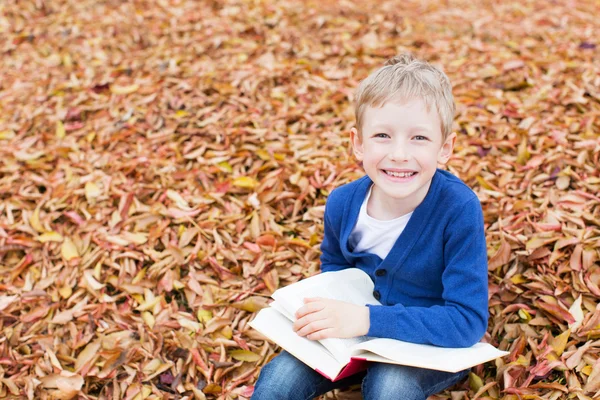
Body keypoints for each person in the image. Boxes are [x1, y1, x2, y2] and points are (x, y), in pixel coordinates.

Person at [251, 53, 489, 400]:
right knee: (279, 378)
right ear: (358, 144)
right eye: (382, 135)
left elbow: (466, 320)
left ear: (445, 148)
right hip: (354, 333)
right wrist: (331, 315)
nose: (399, 154)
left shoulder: (458, 209)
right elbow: (336, 271)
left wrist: (368, 321)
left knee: (389, 386)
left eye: (419, 138)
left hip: (430, 341)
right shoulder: (343, 203)